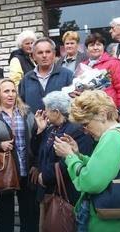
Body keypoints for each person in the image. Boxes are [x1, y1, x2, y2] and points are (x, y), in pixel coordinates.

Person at [54, 90, 120, 231]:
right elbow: (106, 169)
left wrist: (69, 157)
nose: (85, 131)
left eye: (86, 124)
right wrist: (78, 155)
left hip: (105, 220)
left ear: (103, 115)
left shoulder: (112, 138)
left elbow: (91, 182)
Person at [0, 78, 38, 232]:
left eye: (13, 91)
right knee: (5, 214)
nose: (11, 94)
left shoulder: (26, 112)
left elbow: (36, 141)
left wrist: (36, 164)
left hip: (27, 169)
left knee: (30, 214)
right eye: (6, 91)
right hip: (4, 171)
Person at [33, 91, 94, 229]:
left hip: (65, 193)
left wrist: (45, 176)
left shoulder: (76, 130)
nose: (45, 113)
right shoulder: (50, 129)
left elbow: (69, 160)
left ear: (56, 111)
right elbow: (38, 152)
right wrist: (39, 131)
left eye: (47, 110)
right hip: (47, 191)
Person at [19, 37, 73, 114]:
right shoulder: (26, 79)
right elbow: (21, 106)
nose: (44, 55)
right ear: (34, 56)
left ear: (54, 54)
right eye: (40, 53)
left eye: (48, 52)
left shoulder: (67, 75)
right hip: (35, 125)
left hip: (63, 125)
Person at [83, 33, 120, 122]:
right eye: (92, 45)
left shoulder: (113, 63)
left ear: (103, 47)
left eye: (98, 44)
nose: (95, 47)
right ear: (87, 48)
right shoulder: (83, 66)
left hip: (109, 112)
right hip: (90, 112)